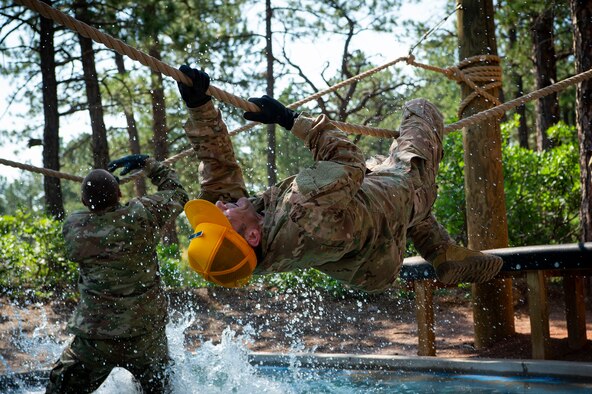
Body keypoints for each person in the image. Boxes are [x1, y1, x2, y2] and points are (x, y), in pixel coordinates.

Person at [177, 65, 503, 291]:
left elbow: (220, 178)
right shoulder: (302, 206)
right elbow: (347, 160)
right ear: (251, 236)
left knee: (379, 167)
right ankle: (437, 242)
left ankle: (441, 251)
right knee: (420, 111)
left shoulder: (244, 258)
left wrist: (199, 107)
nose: (220, 205)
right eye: (223, 215)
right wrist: (290, 120)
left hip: (368, 260)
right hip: (397, 199)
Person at [46, 155, 189, 394]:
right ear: (120, 195)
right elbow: (178, 194)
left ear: (83, 200)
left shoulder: (75, 227)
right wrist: (149, 164)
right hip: (146, 335)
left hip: (95, 339)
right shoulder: (141, 214)